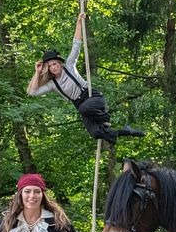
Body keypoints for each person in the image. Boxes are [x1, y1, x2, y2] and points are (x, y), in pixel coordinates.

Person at [27, 13, 145, 145]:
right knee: (96, 133)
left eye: (54, 64)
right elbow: (33, 92)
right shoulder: (52, 84)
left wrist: (79, 23)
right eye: (49, 66)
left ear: (60, 64)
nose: (53, 68)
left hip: (92, 97)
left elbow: (76, 44)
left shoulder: (69, 66)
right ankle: (126, 131)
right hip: (82, 106)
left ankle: (105, 118)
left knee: (84, 109)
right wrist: (37, 72)